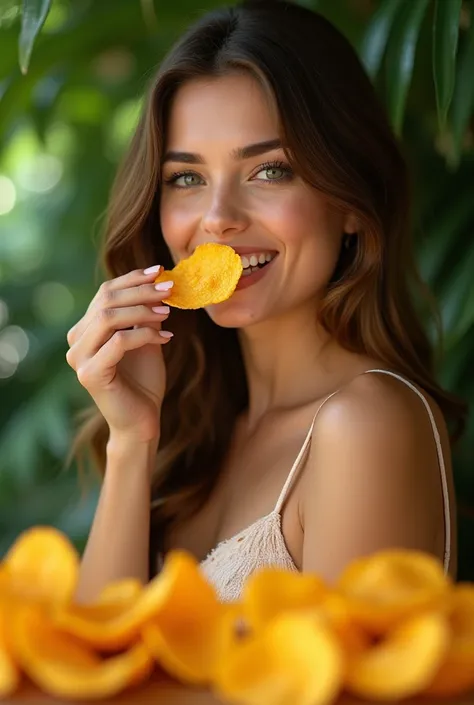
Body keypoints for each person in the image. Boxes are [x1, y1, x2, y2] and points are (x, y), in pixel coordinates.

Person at [66, 0, 466, 604]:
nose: (219, 218)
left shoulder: (365, 425)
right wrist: (131, 441)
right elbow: (92, 670)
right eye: (186, 178)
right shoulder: (199, 431)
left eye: (271, 170)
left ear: (352, 200)